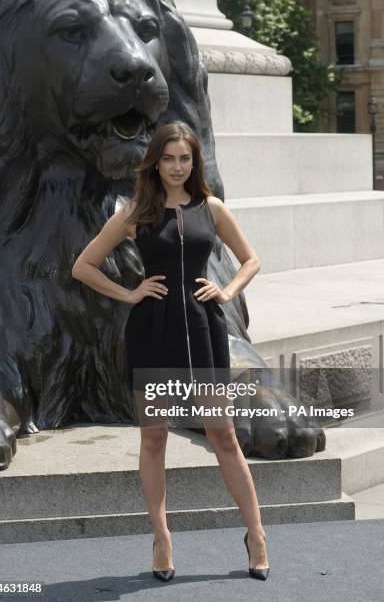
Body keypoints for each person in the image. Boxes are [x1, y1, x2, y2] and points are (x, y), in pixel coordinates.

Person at [71, 121, 270, 582]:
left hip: (204, 332)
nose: (178, 167)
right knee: (154, 438)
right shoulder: (136, 211)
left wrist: (228, 290)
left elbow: (251, 259)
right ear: (155, 162)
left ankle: (256, 532)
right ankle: (162, 538)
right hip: (153, 332)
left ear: (193, 162)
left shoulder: (211, 207)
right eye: (169, 158)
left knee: (223, 436)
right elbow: (83, 265)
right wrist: (129, 293)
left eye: (185, 159)